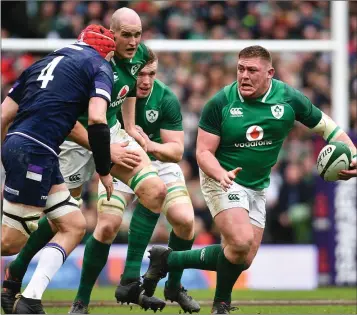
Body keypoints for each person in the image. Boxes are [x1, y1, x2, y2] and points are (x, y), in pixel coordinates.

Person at [142, 45, 357, 315]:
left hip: (257, 185)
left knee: (243, 258)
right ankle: (221, 305)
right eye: (240, 69)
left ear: (270, 74)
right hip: (221, 177)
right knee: (240, 241)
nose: (244, 75)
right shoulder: (220, 103)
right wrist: (220, 174)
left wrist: (353, 154)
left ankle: (168, 259)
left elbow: (330, 129)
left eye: (252, 70)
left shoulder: (289, 98)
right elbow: (203, 152)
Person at [1, 7, 167, 314]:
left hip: (105, 132)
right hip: (69, 139)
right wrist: (106, 157)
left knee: (154, 190)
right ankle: (15, 275)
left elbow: (126, 91)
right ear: (111, 35)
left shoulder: (134, 55)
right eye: (126, 36)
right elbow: (77, 119)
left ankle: (129, 280)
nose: (132, 42)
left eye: (137, 35)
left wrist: (129, 128)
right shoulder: (97, 65)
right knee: (50, 226)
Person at [1, 25, 116, 314]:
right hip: (36, 152)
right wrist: (104, 169)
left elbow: (3, 115)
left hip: (28, 147)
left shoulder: (43, 62)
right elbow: (97, 120)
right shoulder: (99, 65)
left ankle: (30, 300)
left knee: (74, 225)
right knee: (9, 243)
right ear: (109, 52)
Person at [109, 56, 200, 313]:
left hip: (159, 162)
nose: (146, 80)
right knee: (107, 224)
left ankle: (174, 285)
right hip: (124, 158)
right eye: (141, 74)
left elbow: (177, 150)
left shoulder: (166, 98)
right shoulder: (113, 92)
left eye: (152, 73)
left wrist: (150, 145)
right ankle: (85, 299)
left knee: (185, 220)